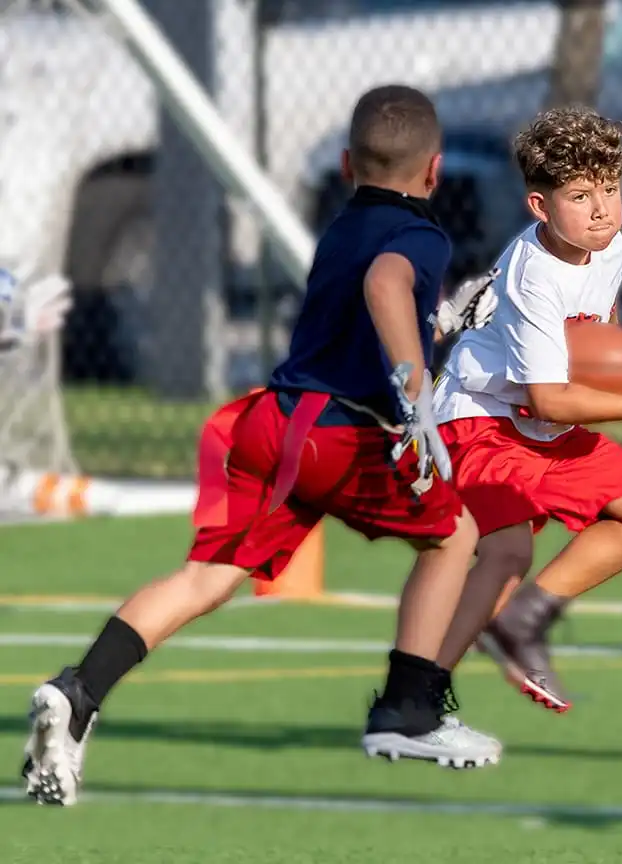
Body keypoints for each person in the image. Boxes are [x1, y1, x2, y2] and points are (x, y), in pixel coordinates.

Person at [22, 84, 503, 807]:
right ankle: (408, 712)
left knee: (207, 578)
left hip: (273, 424)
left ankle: (78, 692)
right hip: (341, 437)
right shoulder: (425, 236)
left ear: (346, 163)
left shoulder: (343, 226)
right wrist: (418, 391)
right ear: (433, 172)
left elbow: (368, 306)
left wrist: (441, 325)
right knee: (455, 536)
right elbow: (385, 283)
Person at [428, 106, 622, 712]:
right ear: (540, 207)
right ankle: (419, 693)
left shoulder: (609, 245)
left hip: (540, 419)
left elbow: (596, 331)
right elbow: (546, 394)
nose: (601, 210)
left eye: (611, 190)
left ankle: (522, 621)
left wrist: (616, 367)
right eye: (580, 195)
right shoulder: (534, 275)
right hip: (479, 417)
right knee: (508, 551)